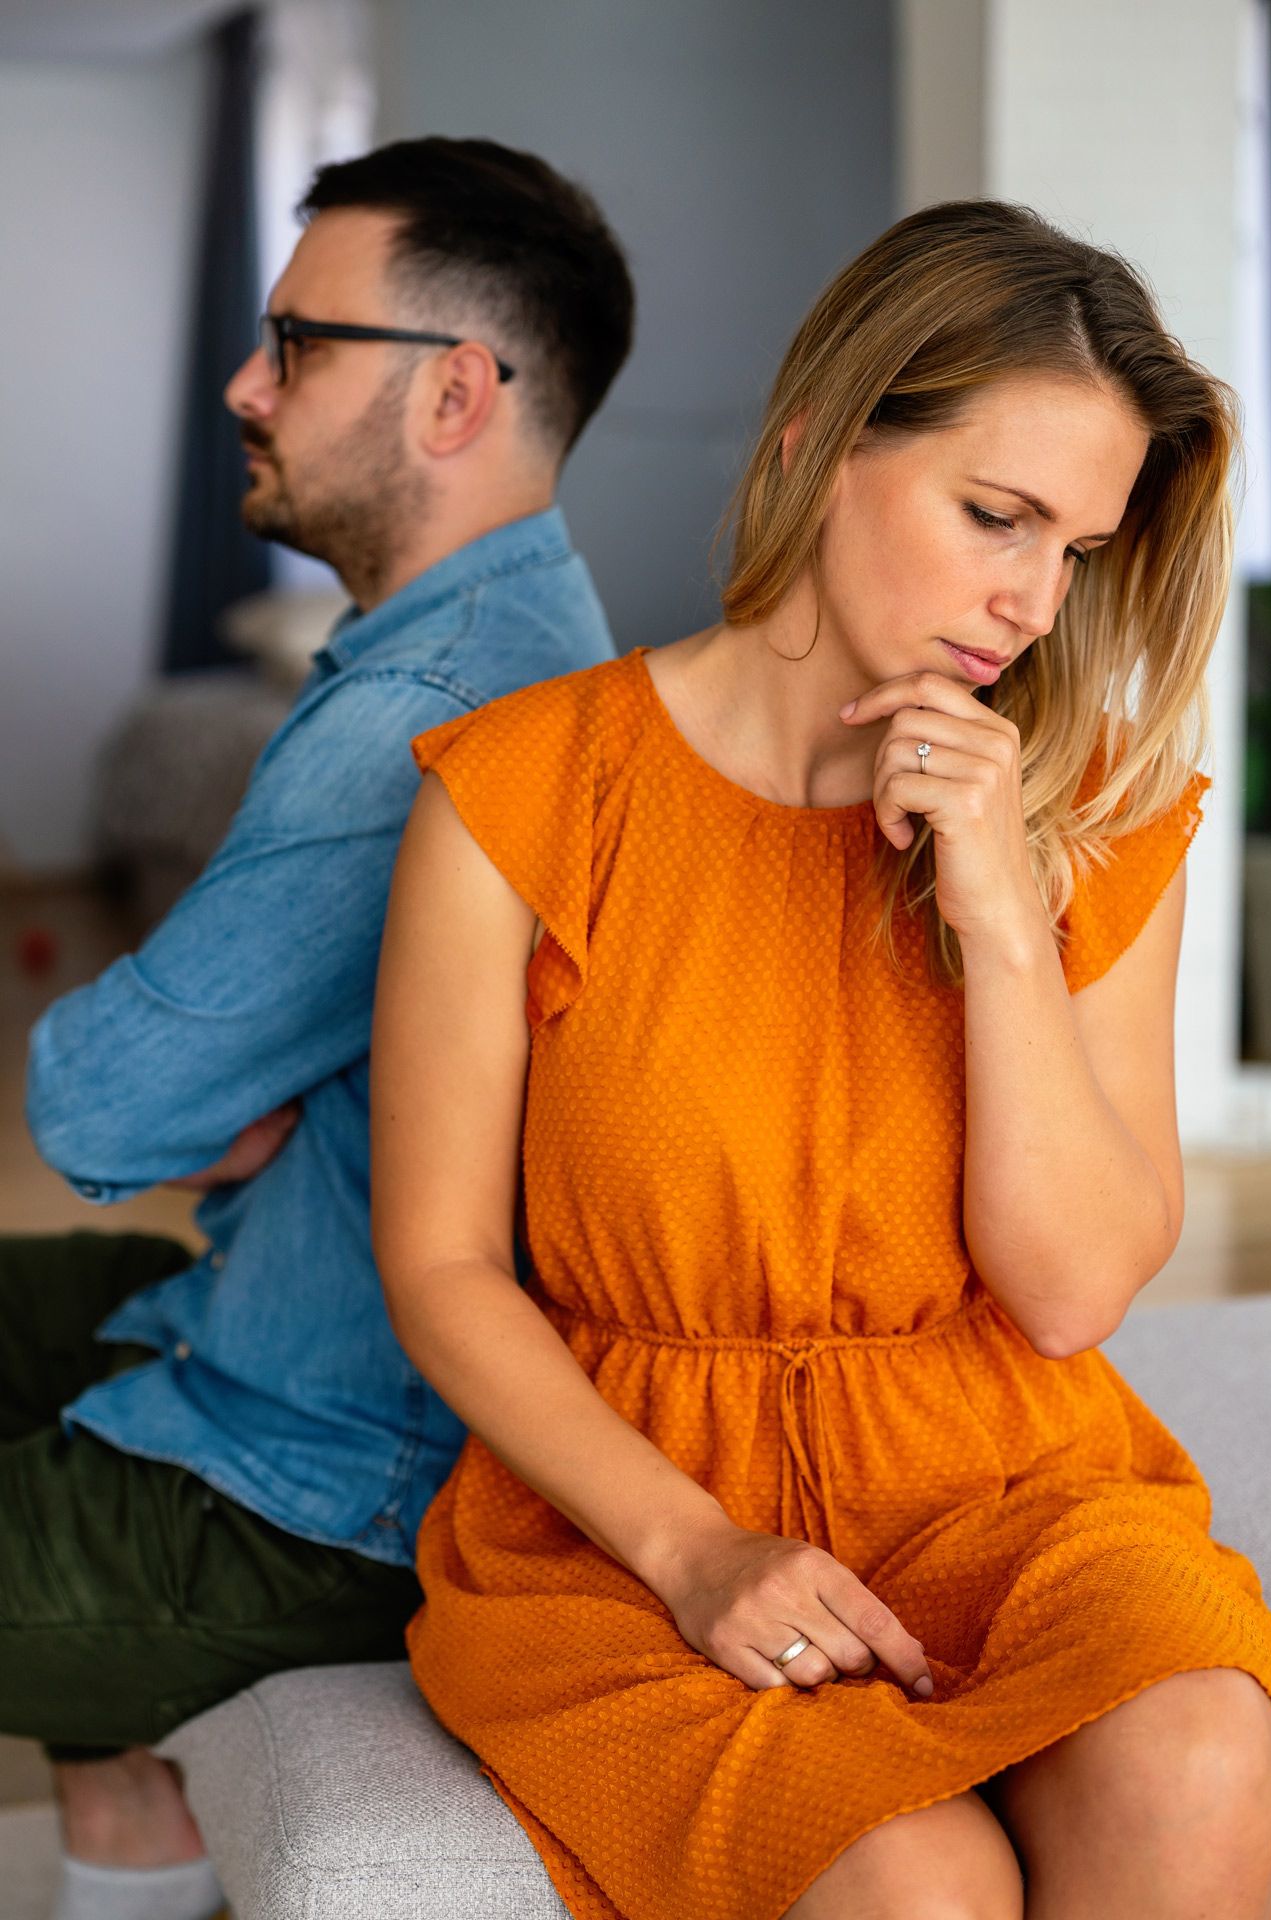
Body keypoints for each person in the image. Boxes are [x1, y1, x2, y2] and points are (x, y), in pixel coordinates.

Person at [371, 199, 1271, 1920]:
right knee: (908, 1881)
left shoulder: (1091, 811)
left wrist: (1004, 912)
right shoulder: (521, 791)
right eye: (993, 515)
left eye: (1076, 549)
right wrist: (691, 1547)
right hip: (637, 1524)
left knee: (1204, 1750)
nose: (1029, 598)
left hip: (1005, 1484)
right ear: (816, 440)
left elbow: (1075, 1294)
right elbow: (436, 1264)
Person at [10, 135, 633, 1920]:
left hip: (308, 1484)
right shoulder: (493, 641)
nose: (243, 383)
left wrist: (209, 1087)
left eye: (294, 342)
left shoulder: (426, 718)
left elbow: (98, 1103)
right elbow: (154, 1107)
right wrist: (230, 1089)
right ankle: (137, 1834)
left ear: (453, 393)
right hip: (243, 1323)